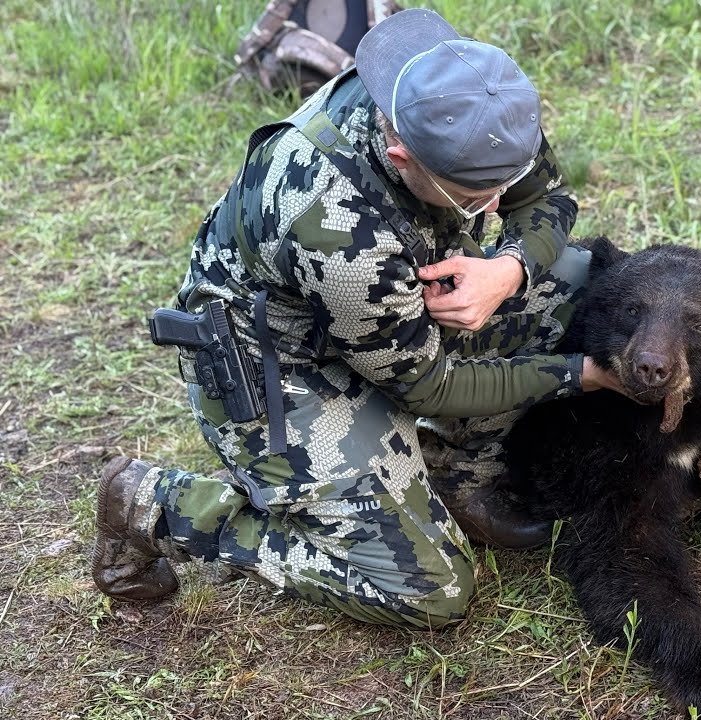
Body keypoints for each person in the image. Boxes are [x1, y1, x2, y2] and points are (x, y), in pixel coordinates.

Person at [91, 9, 622, 629]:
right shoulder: (335, 225)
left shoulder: (462, 95)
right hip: (282, 361)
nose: (497, 204)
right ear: (401, 155)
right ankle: (158, 506)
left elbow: (546, 196)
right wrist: (579, 374)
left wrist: (509, 270)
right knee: (429, 591)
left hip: (390, 306)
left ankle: (458, 475)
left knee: (586, 285)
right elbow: (429, 385)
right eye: (474, 198)